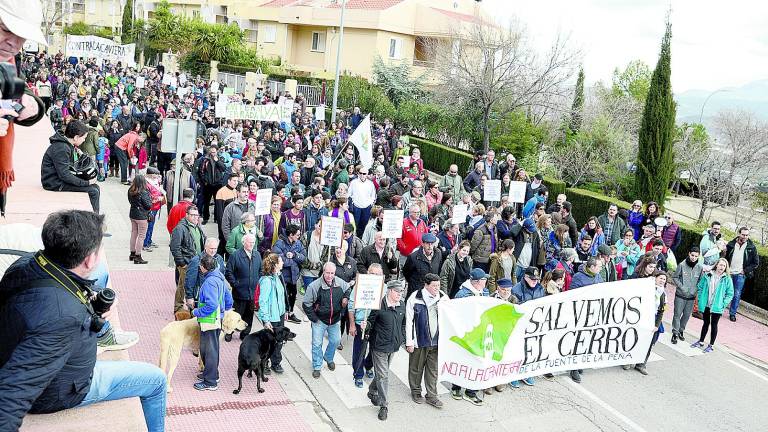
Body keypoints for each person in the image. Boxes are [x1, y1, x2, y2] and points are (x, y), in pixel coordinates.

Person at [0, 209, 166, 431]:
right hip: (59, 390)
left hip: (31, 351)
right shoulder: (61, 317)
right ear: (89, 259)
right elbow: (10, 397)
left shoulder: (28, 263)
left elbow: (60, 286)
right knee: (156, 380)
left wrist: (95, 296)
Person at [366, 279, 407, 421]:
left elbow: (404, 323)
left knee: (381, 373)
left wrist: (402, 338)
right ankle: (384, 405)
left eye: (401, 292)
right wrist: (366, 325)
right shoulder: (378, 305)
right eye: (397, 291)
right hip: (379, 347)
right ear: (389, 291)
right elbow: (370, 323)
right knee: (383, 375)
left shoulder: (402, 305)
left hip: (393, 347)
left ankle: (372, 390)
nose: (400, 294)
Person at [192, 254, 234, 391]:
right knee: (212, 349)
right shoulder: (219, 277)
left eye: (200, 265)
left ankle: (210, 382)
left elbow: (211, 305)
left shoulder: (210, 282)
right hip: (217, 319)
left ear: (204, 268)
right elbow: (229, 299)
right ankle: (212, 374)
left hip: (209, 320)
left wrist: (197, 312)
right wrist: (223, 311)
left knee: (209, 350)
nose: (199, 267)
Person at [404, 273, 446, 409]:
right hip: (420, 341)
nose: (437, 288)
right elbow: (409, 321)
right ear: (426, 285)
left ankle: (431, 395)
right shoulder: (415, 298)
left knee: (433, 370)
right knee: (416, 368)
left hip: (436, 342)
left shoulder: (444, 298)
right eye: (434, 286)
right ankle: (416, 391)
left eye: (438, 285)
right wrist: (409, 341)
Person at [41, 120, 101, 212]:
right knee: (93, 191)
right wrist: (86, 183)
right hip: (54, 183)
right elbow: (64, 175)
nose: (84, 140)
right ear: (76, 137)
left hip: (59, 179)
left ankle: (95, 217)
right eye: (84, 138)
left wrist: (81, 155)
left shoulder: (67, 145)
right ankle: (94, 220)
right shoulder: (62, 148)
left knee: (96, 187)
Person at [303, 262, 350, 378]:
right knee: (316, 344)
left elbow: (348, 288)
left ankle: (328, 357)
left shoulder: (339, 282)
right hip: (319, 320)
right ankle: (317, 366)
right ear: (323, 272)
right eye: (327, 273)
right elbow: (306, 304)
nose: (329, 276)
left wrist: (345, 297)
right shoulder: (314, 286)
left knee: (335, 341)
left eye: (332, 273)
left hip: (335, 319)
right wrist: (314, 318)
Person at [450, 268, 489, 405]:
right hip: (466, 333)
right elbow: (456, 315)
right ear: (477, 282)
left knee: (476, 362)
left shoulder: (484, 292)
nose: (486, 281)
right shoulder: (462, 295)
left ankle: (470, 391)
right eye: (484, 279)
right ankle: (456, 387)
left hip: (480, 334)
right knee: (462, 361)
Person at [623, 271, 667, 375]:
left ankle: (641, 363)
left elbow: (661, 310)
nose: (662, 281)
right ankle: (628, 360)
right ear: (655, 278)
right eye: (660, 278)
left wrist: (656, 325)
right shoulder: (647, 289)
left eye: (664, 279)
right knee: (635, 339)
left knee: (649, 342)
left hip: (654, 319)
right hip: (642, 317)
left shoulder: (662, 294)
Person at [348, 264, 383, 388]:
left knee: (375, 349)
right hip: (360, 322)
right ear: (368, 273)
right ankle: (358, 374)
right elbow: (351, 305)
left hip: (377, 324)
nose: (375, 277)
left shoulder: (384, 288)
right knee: (359, 350)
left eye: (378, 274)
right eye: (373, 273)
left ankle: (368, 365)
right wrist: (352, 324)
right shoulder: (359, 285)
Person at [509, 268, 544, 388]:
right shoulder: (516, 290)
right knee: (517, 349)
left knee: (531, 349)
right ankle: (514, 373)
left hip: (535, 324)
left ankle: (526, 372)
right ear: (525, 277)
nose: (535, 281)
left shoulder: (540, 288)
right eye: (532, 279)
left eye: (536, 279)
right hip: (520, 324)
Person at [691, 258, 734, 353]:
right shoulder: (708, 274)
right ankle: (701, 341)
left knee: (714, 324)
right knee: (705, 323)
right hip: (706, 304)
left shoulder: (727, 279)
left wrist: (723, 304)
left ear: (726, 267)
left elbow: (730, 293)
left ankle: (711, 345)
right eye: (720, 265)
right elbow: (700, 287)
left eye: (724, 265)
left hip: (717, 306)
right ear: (716, 265)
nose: (722, 267)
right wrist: (700, 299)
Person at [225, 234, 262, 340]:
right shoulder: (236, 255)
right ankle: (229, 332)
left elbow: (261, 270)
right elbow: (228, 272)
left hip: (252, 293)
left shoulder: (257, 255)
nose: (252, 244)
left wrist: (257, 281)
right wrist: (235, 283)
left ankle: (245, 334)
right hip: (239, 293)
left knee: (249, 315)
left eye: (253, 242)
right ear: (243, 243)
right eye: (249, 242)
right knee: (236, 314)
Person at [256, 253, 289, 374]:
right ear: (275, 265)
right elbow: (262, 301)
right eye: (281, 261)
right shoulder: (266, 281)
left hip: (279, 315)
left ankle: (276, 362)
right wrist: (265, 320)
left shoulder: (278, 277)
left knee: (279, 341)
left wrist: (285, 311)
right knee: (269, 343)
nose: (283, 263)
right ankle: (264, 363)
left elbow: (282, 296)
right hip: (271, 317)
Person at [170, 205, 206, 315]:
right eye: (193, 215)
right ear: (187, 215)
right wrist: (182, 263)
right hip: (187, 263)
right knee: (182, 286)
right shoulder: (180, 228)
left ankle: (190, 306)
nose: (196, 217)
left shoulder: (197, 227)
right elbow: (174, 247)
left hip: (197, 262)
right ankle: (178, 307)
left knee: (193, 285)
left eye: (197, 215)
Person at [272, 224, 306, 324]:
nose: (299, 237)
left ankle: (290, 312)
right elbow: (277, 258)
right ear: (291, 235)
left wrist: (294, 255)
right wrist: (293, 262)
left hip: (294, 276)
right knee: (282, 295)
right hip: (283, 276)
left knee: (293, 295)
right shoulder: (280, 243)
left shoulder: (298, 243)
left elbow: (304, 257)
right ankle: (282, 313)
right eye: (297, 235)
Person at [725, 227, 760, 322]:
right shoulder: (731, 244)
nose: (745, 237)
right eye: (743, 234)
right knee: (723, 292)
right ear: (739, 234)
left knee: (736, 294)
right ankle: (718, 310)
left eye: (747, 235)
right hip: (728, 273)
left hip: (740, 275)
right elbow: (725, 257)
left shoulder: (752, 247)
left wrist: (745, 271)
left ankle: (732, 313)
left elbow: (756, 263)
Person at [671, 247, 703, 344]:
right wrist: (682, 287)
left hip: (691, 297)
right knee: (677, 314)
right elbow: (675, 277)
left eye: (696, 256)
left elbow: (700, 281)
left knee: (686, 315)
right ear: (689, 254)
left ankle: (681, 330)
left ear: (698, 257)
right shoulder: (681, 265)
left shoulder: (700, 268)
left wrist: (696, 290)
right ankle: (675, 333)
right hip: (680, 295)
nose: (693, 258)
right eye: (692, 255)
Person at [403, 233, 442, 299]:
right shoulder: (413, 257)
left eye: (432, 243)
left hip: (431, 290)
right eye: (427, 243)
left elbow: (439, 269)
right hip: (417, 290)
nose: (430, 246)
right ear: (422, 244)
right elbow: (406, 272)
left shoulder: (438, 253)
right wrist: (414, 283)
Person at [127, 174, 152, 265]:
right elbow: (148, 205)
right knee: (141, 236)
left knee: (134, 233)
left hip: (133, 215)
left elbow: (130, 201)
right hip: (142, 217)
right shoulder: (144, 192)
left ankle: (132, 253)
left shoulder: (130, 190)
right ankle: (138, 256)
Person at [349, 166, 377, 237]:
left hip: (367, 207)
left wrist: (370, 203)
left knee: (364, 224)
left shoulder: (370, 183)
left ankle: (362, 238)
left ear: (367, 174)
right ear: (358, 173)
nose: (362, 175)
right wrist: (352, 202)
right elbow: (349, 194)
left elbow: (373, 195)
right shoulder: (353, 182)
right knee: (355, 224)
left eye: (364, 173)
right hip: (356, 207)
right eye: (360, 173)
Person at [470, 208, 499, 272]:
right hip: (480, 260)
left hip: (490, 258)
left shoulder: (494, 228)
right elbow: (473, 245)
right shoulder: (480, 230)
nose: (497, 218)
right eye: (496, 217)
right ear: (491, 220)